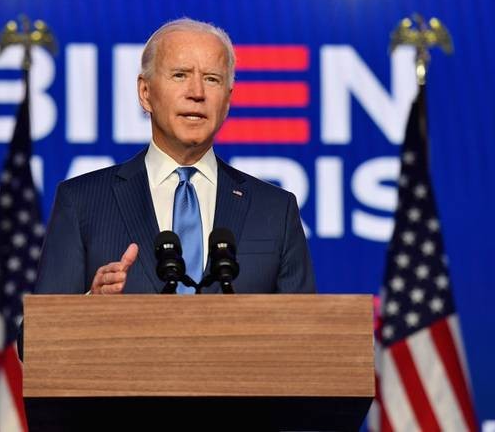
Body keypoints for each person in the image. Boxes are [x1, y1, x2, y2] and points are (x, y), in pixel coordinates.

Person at [34, 18, 315, 295]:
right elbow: (36, 336)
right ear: (145, 93)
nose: (197, 93)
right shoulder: (82, 202)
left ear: (227, 101)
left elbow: (307, 334)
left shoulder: (276, 211)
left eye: (212, 79)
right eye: (180, 75)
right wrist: (87, 308)